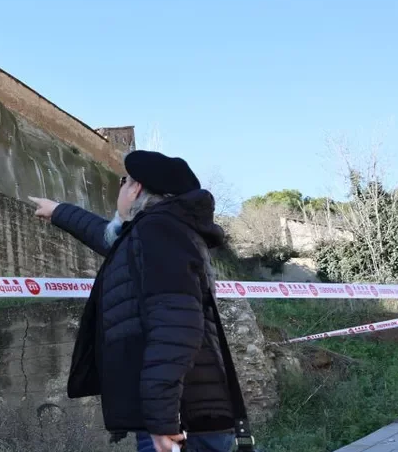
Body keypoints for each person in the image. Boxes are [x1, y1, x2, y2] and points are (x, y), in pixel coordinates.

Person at [29, 150, 240, 452]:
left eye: (123, 181)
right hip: (186, 415)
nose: (121, 187)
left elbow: (176, 328)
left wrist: (162, 420)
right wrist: (59, 211)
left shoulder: (160, 231)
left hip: (180, 423)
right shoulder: (159, 231)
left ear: (137, 188)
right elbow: (110, 239)